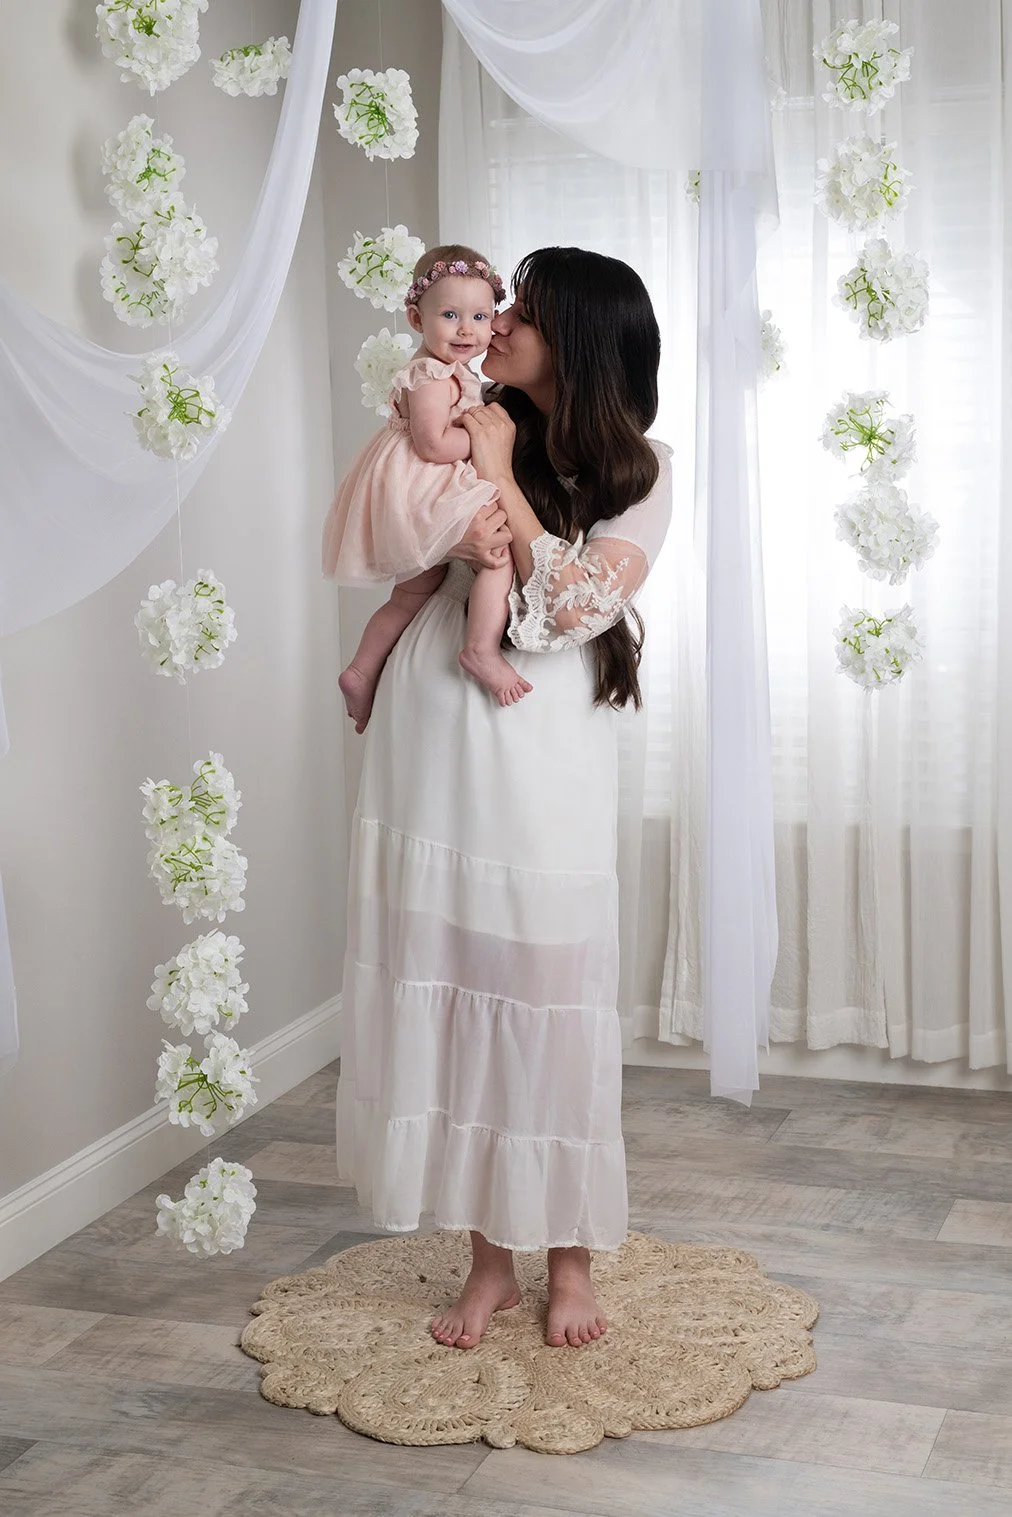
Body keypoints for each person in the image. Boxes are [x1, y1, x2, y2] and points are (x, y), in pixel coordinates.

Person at [335, 246, 672, 1349]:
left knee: (542, 991)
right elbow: (378, 536)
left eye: (524, 304)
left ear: (573, 333)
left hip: (539, 745)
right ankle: (489, 1256)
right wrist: (453, 443)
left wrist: (509, 479)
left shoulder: (647, 468)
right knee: (463, 983)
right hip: (437, 735)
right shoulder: (461, 410)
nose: (502, 319)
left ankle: (567, 1254)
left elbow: (574, 608)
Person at [323, 244, 532, 733]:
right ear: (416, 318)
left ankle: (360, 670)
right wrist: (486, 435)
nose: (467, 329)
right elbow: (434, 444)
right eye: (451, 315)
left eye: (481, 316)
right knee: (497, 557)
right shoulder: (431, 375)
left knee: (409, 595)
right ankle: (480, 649)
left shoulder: (449, 370)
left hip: (417, 486)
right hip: (426, 485)